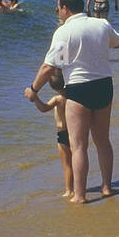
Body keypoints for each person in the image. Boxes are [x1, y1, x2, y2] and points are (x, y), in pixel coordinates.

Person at [28, 0, 119, 204]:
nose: (58, 13)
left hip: (78, 88)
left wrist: (33, 90)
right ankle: (107, 187)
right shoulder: (101, 24)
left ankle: (79, 195)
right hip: (104, 85)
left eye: (58, 9)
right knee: (103, 141)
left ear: (65, 8)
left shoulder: (64, 31)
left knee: (78, 145)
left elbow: (50, 66)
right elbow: (118, 43)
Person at [23, 69, 74, 198]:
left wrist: (35, 99)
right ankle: (78, 185)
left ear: (52, 86)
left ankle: (69, 190)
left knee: (67, 164)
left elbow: (44, 108)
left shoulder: (57, 99)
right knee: (76, 159)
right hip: (74, 131)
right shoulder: (72, 96)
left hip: (62, 134)